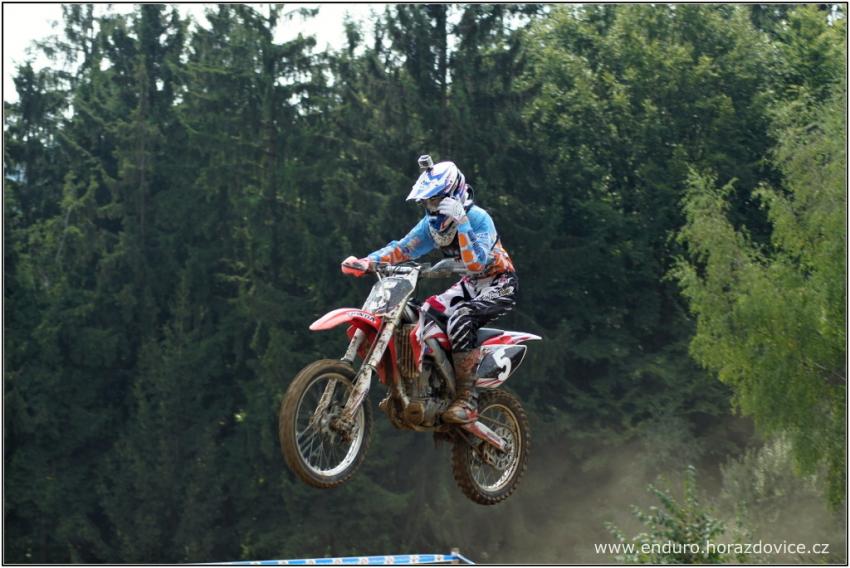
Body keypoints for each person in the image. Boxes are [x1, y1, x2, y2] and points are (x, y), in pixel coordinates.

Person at [341, 155, 517, 424]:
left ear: (454, 194)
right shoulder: (430, 226)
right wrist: (366, 262)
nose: (431, 207)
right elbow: (402, 249)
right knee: (423, 315)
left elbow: (476, 263)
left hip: (499, 283)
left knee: (461, 318)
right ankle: (419, 388)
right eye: (427, 201)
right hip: (470, 285)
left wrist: (462, 222)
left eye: (436, 200)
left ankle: (467, 399)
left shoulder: (479, 219)